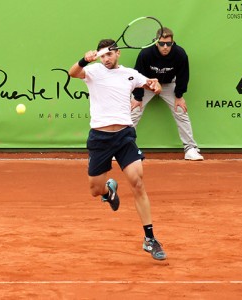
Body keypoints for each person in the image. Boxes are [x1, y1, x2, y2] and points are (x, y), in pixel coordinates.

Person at [68, 39, 166, 260]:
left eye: (109, 55)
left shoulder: (130, 74)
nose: (106, 59)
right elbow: (72, 73)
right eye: (102, 56)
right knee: (95, 189)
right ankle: (108, 192)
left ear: (117, 54)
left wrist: (156, 85)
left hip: (124, 136)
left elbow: (152, 85)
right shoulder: (92, 72)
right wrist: (84, 60)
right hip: (100, 138)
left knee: (138, 182)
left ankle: (150, 239)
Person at [131, 27, 204, 161]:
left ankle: (190, 149)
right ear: (156, 42)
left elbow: (183, 76)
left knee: (181, 111)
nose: (165, 47)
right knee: (134, 111)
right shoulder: (145, 54)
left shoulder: (180, 54)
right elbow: (137, 75)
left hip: (169, 85)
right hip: (148, 84)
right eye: (162, 44)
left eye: (168, 44)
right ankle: (122, 148)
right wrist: (137, 97)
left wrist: (179, 96)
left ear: (172, 42)